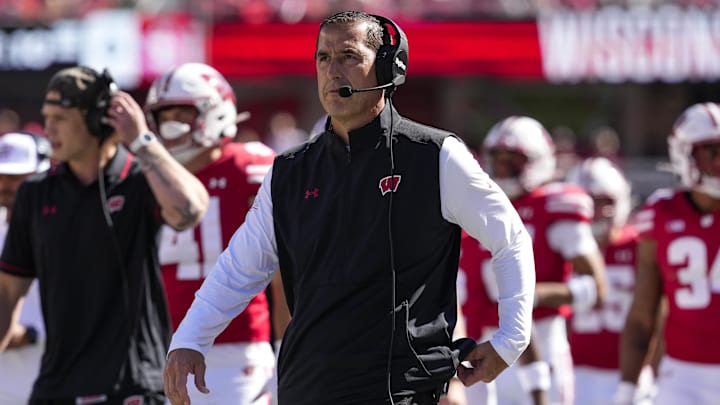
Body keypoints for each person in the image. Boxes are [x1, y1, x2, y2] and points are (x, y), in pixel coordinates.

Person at [164, 11, 536, 405]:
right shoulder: (289, 171)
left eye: (348, 56)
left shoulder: (435, 156)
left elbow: (509, 238)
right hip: (305, 388)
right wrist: (190, 339)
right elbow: (239, 268)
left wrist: (510, 340)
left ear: (388, 67)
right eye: (323, 58)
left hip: (400, 392)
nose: (332, 70)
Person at [0, 65, 209, 404]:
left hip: (134, 386)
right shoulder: (35, 194)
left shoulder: (141, 178)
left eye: (61, 117)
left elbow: (190, 210)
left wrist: (141, 140)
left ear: (98, 120)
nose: (48, 128)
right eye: (46, 116)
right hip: (57, 389)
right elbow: (7, 294)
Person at [144, 62, 290, 404]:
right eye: (163, 115)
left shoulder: (251, 169)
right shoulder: (149, 179)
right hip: (162, 351)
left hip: (238, 354)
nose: (170, 125)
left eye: (181, 112)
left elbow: (285, 274)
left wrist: (286, 353)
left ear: (215, 111)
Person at [473, 116, 607, 405]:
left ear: (537, 161)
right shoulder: (481, 205)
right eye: (498, 160)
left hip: (544, 342)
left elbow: (596, 288)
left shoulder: (553, 206)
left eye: (513, 161)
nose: (503, 169)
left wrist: (529, 296)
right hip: (484, 342)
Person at [617, 102, 720, 405]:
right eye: (711, 152)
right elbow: (642, 316)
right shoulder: (661, 214)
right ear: (684, 154)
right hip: (682, 377)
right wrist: (626, 391)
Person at [564, 157, 656, 404]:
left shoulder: (639, 246)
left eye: (606, 201)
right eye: (591, 202)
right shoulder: (561, 250)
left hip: (628, 373)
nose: (599, 211)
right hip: (575, 373)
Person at [0, 132, 51, 403]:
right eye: (1, 175)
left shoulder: (62, 234)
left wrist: (30, 334)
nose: (5, 185)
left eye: (16, 176)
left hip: (51, 378)